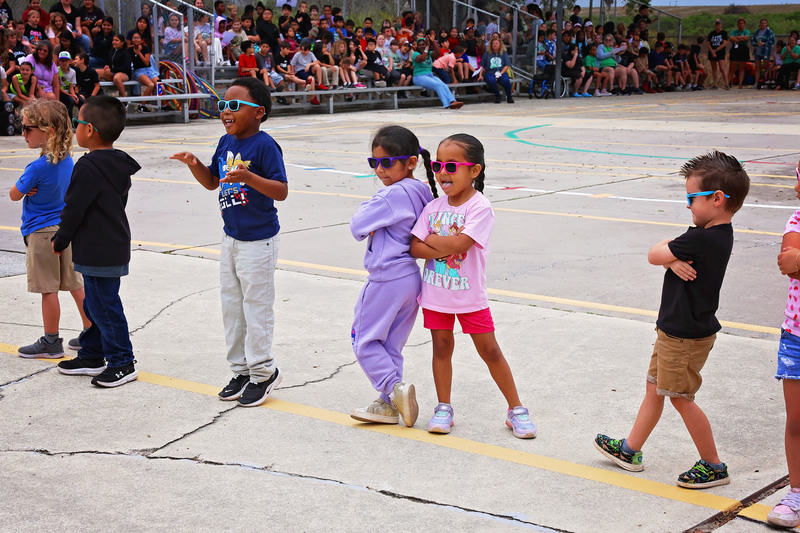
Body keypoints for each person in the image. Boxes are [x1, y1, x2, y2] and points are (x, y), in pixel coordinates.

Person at [594, 151, 751, 489]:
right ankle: (630, 450)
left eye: (691, 198)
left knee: (680, 397)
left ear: (718, 199)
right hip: (679, 330)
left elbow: (654, 252)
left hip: (684, 335)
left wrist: (667, 259)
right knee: (655, 389)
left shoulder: (699, 238)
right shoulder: (716, 234)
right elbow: (666, 254)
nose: (687, 206)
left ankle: (713, 464)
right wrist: (672, 261)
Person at [170, 78, 287, 408]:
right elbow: (212, 182)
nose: (225, 111)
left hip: (258, 242)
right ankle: (240, 370)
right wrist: (194, 164)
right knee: (232, 309)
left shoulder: (265, 146)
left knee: (256, 308)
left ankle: (264, 372)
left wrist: (249, 177)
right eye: (223, 105)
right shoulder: (225, 141)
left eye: (234, 106)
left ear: (259, 113)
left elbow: (281, 190)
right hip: (231, 239)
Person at [409, 134, 536, 439]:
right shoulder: (433, 206)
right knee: (441, 348)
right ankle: (443, 407)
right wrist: (443, 245)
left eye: (451, 166)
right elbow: (414, 247)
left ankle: (516, 409)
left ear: (474, 171)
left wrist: (434, 242)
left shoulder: (480, 207)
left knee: (490, 350)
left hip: (470, 297)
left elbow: (462, 243)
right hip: (436, 294)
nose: (442, 173)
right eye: (439, 165)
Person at [349, 125, 436, 427]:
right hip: (411, 278)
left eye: (387, 162)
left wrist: (371, 218)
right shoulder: (422, 190)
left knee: (363, 340)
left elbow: (358, 224)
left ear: (410, 162)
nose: (380, 170)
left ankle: (392, 389)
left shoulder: (391, 195)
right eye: (374, 163)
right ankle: (388, 406)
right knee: (390, 346)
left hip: (386, 277)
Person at [54, 95, 141, 387]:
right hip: (110, 245)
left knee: (104, 306)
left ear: (89, 130)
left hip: (98, 249)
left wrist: (61, 239)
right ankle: (92, 353)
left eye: (77, 122)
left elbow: (74, 208)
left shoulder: (88, 166)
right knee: (95, 303)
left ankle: (122, 361)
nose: (75, 128)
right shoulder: (118, 164)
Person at [10, 99, 89, 359]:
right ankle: (91, 332)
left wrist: (25, 186)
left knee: (49, 290)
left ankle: (51, 341)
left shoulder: (36, 167)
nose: (23, 134)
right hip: (66, 231)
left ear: (48, 132)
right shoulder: (68, 162)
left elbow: (13, 194)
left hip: (42, 234)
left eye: (27, 129)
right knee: (77, 286)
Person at [770, 160, 800, 529]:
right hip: (796, 336)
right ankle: (796, 493)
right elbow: (788, 262)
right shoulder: (797, 218)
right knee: (797, 420)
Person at [411, 37, 463, 110]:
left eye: (423, 44)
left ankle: (453, 101)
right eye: (419, 45)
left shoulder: (429, 53)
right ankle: (447, 104)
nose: (421, 46)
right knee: (438, 85)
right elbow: (422, 58)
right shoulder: (415, 54)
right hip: (419, 77)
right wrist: (427, 47)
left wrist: (433, 41)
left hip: (430, 75)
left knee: (444, 85)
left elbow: (438, 52)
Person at [481, 36, 514, 103]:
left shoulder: (504, 53)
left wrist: (500, 74)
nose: (495, 45)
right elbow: (482, 65)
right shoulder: (487, 53)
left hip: (501, 71)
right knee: (491, 80)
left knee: (506, 80)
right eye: (493, 43)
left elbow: (507, 65)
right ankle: (497, 96)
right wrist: (480, 75)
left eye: (496, 43)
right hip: (490, 72)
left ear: (500, 44)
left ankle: (509, 96)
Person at [727, 18, 750, 89]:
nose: (741, 25)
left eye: (742, 23)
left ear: (744, 24)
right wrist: (740, 38)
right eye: (739, 23)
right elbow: (731, 38)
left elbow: (746, 38)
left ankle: (740, 84)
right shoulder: (734, 32)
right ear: (737, 24)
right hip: (735, 49)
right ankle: (727, 83)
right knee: (732, 68)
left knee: (741, 68)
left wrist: (736, 38)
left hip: (743, 49)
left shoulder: (746, 31)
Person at [752, 19, 775, 89]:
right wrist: (756, 43)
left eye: (764, 23)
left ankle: (767, 81)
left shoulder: (769, 32)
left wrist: (764, 43)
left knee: (766, 66)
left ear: (766, 24)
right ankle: (756, 82)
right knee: (758, 67)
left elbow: (772, 42)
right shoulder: (757, 32)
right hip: (757, 51)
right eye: (762, 23)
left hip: (765, 51)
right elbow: (752, 40)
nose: (763, 24)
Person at [707, 19, 728, 90]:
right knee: (714, 68)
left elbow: (724, 43)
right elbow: (708, 43)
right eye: (716, 24)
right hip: (712, 51)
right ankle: (715, 84)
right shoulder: (712, 33)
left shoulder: (724, 33)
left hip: (720, 52)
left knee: (722, 68)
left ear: (721, 25)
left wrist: (716, 50)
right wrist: (712, 51)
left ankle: (727, 83)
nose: (717, 25)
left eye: (718, 24)